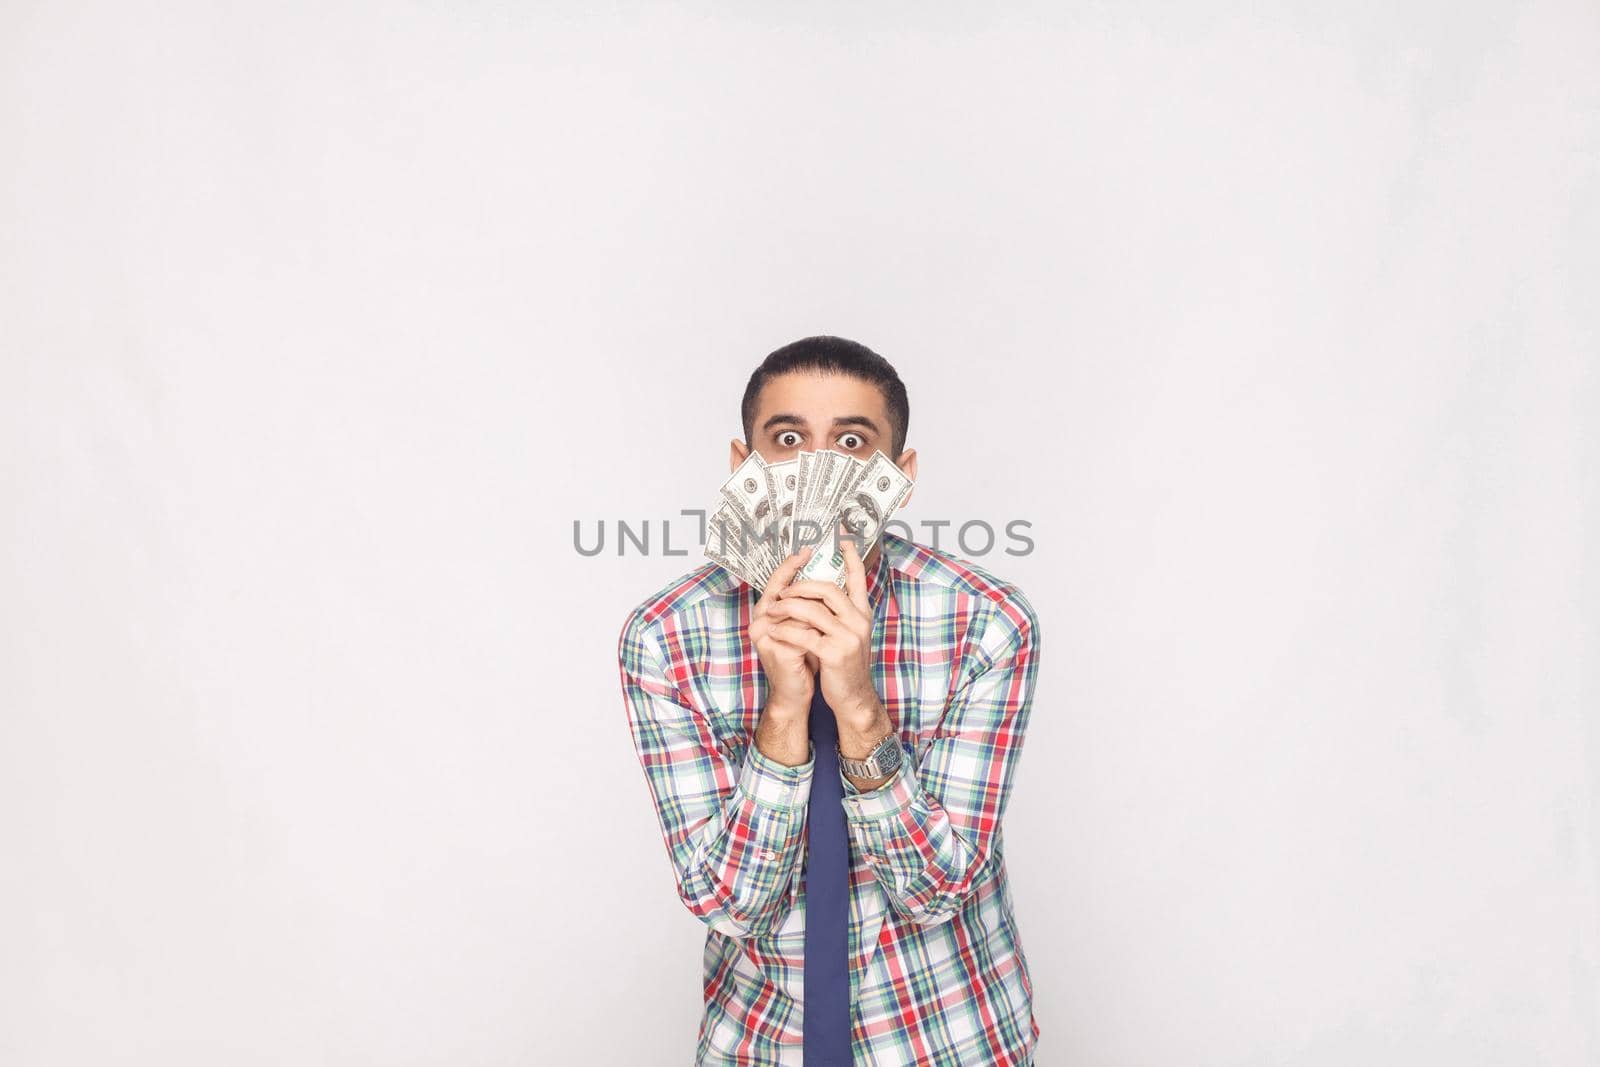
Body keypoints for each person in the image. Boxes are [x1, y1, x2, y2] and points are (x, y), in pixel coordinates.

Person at [618, 336, 1042, 1065]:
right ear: (742, 469)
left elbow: (937, 889)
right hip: (761, 1045)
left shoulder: (986, 622)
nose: (817, 467)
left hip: (953, 1041)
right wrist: (785, 709)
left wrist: (857, 705)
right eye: (788, 439)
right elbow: (729, 901)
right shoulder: (666, 637)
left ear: (898, 479)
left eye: (851, 441)